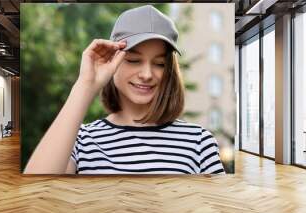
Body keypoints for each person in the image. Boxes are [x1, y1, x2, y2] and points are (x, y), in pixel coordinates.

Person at [24, 5, 226, 175]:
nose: (147, 74)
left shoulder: (199, 141)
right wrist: (85, 85)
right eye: (133, 60)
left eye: (160, 64)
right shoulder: (82, 140)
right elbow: (35, 193)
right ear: (112, 60)